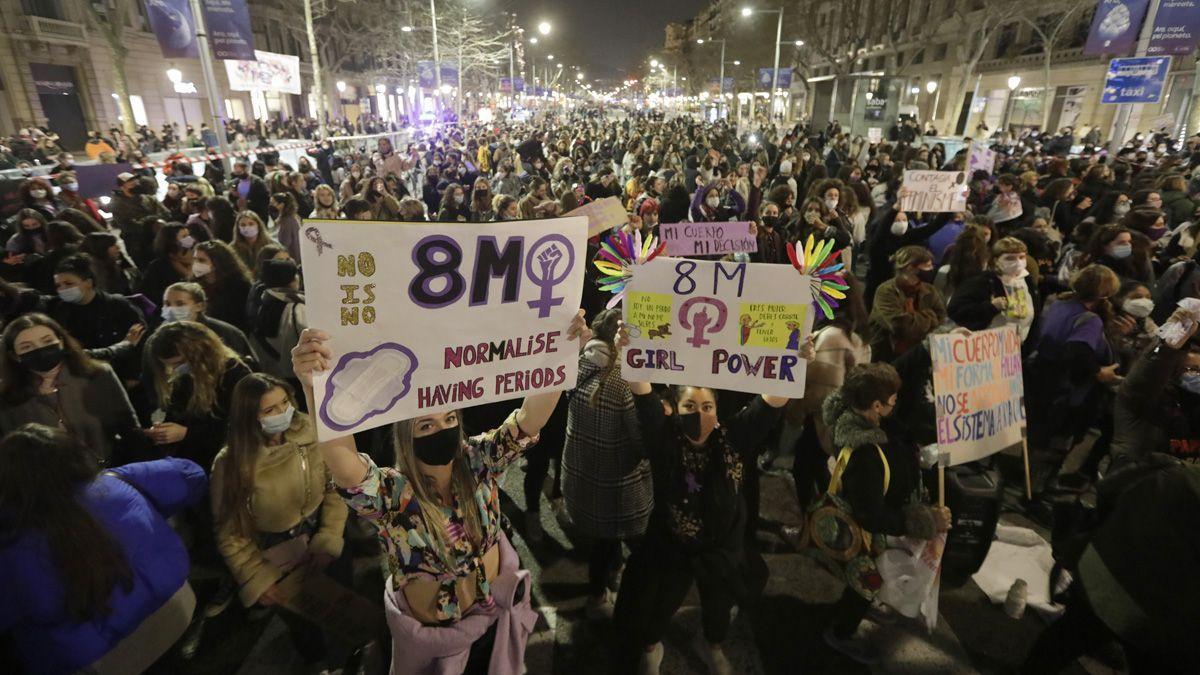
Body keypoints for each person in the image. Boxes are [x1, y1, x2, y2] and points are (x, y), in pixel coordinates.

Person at [289, 310, 591, 674]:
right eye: (426, 424)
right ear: (407, 436)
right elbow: (341, 458)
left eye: (449, 419)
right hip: (434, 643)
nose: (442, 429)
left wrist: (561, 353)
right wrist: (315, 384)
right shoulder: (392, 493)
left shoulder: (478, 461)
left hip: (492, 620)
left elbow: (530, 420)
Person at [613, 349, 795, 675]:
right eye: (690, 407)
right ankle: (652, 647)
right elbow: (641, 390)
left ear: (718, 409)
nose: (700, 414)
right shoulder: (663, 437)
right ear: (674, 408)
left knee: (718, 607)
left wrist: (795, 358)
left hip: (722, 548)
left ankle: (711, 644)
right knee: (660, 605)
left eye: (707, 407)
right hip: (673, 546)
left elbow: (770, 402)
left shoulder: (733, 437)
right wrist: (630, 347)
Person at [0, 424, 207, 675]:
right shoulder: (117, 481)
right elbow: (192, 475)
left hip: (105, 660)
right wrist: (149, 516)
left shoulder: (13, 549)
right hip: (176, 610)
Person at [210, 374, 351, 669]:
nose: (282, 413)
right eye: (269, 410)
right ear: (250, 417)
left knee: (346, 607)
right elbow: (230, 531)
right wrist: (258, 578)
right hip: (278, 555)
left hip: (321, 530)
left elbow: (334, 488)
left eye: (284, 402)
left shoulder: (309, 431)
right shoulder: (231, 464)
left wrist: (329, 537)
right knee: (305, 625)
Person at [818, 363, 951, 664]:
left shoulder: (863, 421)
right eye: (893, 401)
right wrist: (923, 521)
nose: (896, 405)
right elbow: (871, 515)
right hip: (866, 538)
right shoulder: (865, 454)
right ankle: (840, 632)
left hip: (876, 526)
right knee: (865, 583)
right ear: (876, 406)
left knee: (868, 582)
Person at [1020, 461, 1200, 674]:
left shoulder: (1176, 469)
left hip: (1105, 573)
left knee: (1067, 636)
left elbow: (1108, 488)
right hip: (1157, 612)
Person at [561, 309, 652, 619]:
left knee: (601, 544)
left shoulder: (576, 361)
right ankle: (633, 604)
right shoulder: (626, 384)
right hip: (619, 490)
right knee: (641, 549)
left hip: (583, 479)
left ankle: (598, 597)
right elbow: (644, 445)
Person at [1025, 265, 1121, 496]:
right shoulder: (1089, 320)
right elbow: (1078, 352)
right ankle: (1038, 490)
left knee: (1039, 437)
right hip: (1067, 390)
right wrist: (1099, 372)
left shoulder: (1058, 303)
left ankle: (1030, 484)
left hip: (1041, 379)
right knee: (1058, 440)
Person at [0, 313, 142, 465]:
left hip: (106, 472)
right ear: (14, 356)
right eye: (27, 347)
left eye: (47, 341)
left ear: (61, 341)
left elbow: (130, 429)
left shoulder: (98, 375)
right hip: (45, 483)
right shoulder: (7, 395)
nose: (40, 349)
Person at [145, 320, 253, 471]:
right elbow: (178, 415)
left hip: (225, 465)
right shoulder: (185, 376)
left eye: (179, 363)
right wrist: (163, 430)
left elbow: (244, 427)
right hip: (191, 465)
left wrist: (187, 434)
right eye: (169, 365)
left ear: (201, 352)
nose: (174, 369)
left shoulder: (235, 374)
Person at [1109, 307, 1200, 465]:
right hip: (1138, 480)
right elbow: (1153, 367)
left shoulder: (1193, 404)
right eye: (1192, 370)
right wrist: (1169, 343)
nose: (1196, 376)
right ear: (1172, 372)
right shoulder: (1144, 397)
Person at [947, 236, 1040, 341]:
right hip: (988, 347)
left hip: (1019, 348)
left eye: (1021, 257)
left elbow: (1035, 316)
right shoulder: (982, 281)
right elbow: (956, 310)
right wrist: (990, 307)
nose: (1018, 262)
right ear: (996, 260)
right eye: (1010, 258)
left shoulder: (1027, 281)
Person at [868, 246, 947, 363]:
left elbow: (941, 320)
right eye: (927, 266)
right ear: (910, 268)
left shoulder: (930, 290)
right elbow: (900, 327)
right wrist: (930, 315)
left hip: (919, 354)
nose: (931, 269)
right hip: (886, 355)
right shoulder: (885, 291)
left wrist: (913, 317)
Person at [157, 281, 254, 360]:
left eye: (180, 304)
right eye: (167, 304)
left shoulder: (225, 333)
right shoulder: (158, 337)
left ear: (199, 306)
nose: (171, 309)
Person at [250, 259, 306, 382]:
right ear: (291, 280)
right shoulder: (295, 307)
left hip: (275, 371)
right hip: (297, 372)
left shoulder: (262, 299)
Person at [191, 240, 253, 331]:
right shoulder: (193, 284)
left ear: (217, 262)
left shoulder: (240, 286)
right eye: (195, 259)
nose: (196, 264)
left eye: (201, 260)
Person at [109, 173, 168, 267]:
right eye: (130, 182)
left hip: (159, 239)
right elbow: (128, 226)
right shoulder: (117, 205)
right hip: (138, 245)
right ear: (122, 187)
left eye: (135, 180)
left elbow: (166, 214)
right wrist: (153, 220)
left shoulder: (148, 198)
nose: (135, 183)